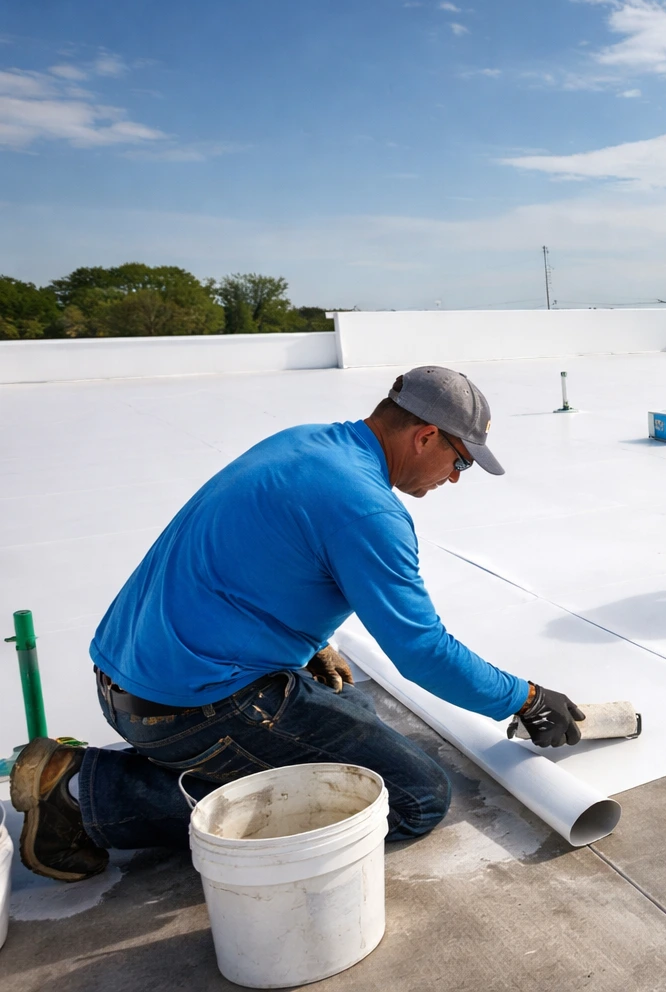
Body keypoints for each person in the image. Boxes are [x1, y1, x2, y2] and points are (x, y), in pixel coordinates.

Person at [11, 366, 586, 882]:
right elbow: (421, 651)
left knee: (354, 712)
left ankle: (130, 773)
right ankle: (84, 793)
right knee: (414, 797)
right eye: (460, 461)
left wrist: (314, 644)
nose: (456, 478)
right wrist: (525, 698)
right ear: (425, 436)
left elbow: (260, 560)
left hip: (125, 677)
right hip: (188, 711)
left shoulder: (307, 443)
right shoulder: (367, 509)